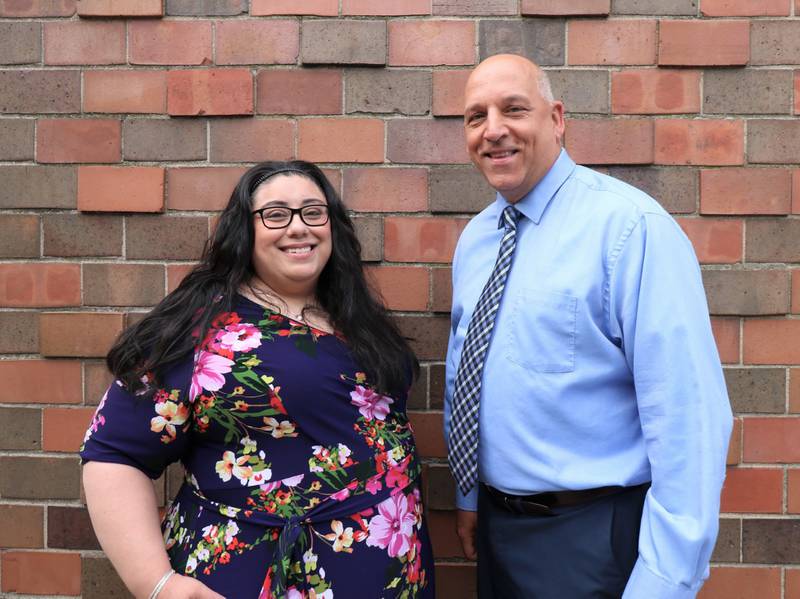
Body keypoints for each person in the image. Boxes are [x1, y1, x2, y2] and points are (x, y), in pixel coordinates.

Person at [443, 54, 732, 598]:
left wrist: (664, 581)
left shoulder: (629, 229)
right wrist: (469, 497)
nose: (493, 129)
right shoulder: (478, 240)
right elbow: (468, 371)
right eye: (475, 116)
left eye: (513, 109)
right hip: (498, 531)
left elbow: (688, 418)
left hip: (594, 537)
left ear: (556, 119)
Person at [81, 160, 434, 599]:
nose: (298, 227)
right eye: (276, 214)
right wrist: (160, 585)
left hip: (391, 573)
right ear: (244, 230)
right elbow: (114, 453)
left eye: (313, 212)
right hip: (260, 577)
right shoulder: (200, 330)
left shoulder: (355, 317)